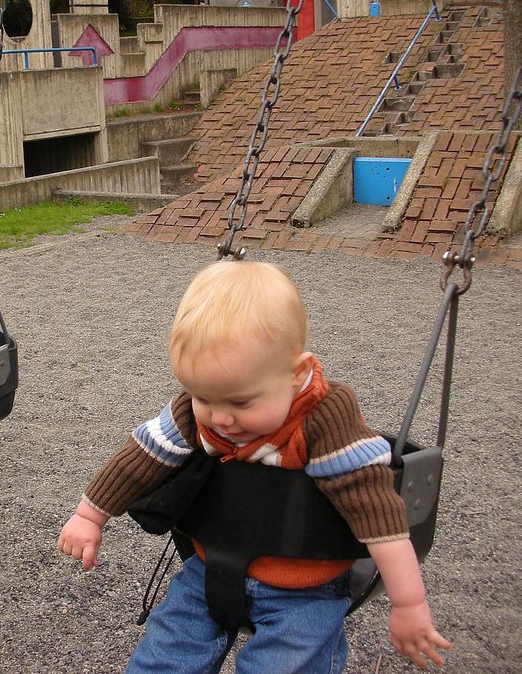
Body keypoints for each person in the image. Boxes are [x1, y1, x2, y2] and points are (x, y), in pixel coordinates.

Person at [58, 261, 451, 672]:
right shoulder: (197, 411)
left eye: (241, 402)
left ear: (295, 373)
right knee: (161, 660)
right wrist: (90, 515)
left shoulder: (324, 420)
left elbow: (376, 512)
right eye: (202, 396)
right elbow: (142, 455)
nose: (220, 418)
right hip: (208, 572)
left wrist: (409, 602)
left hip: (305, 591)